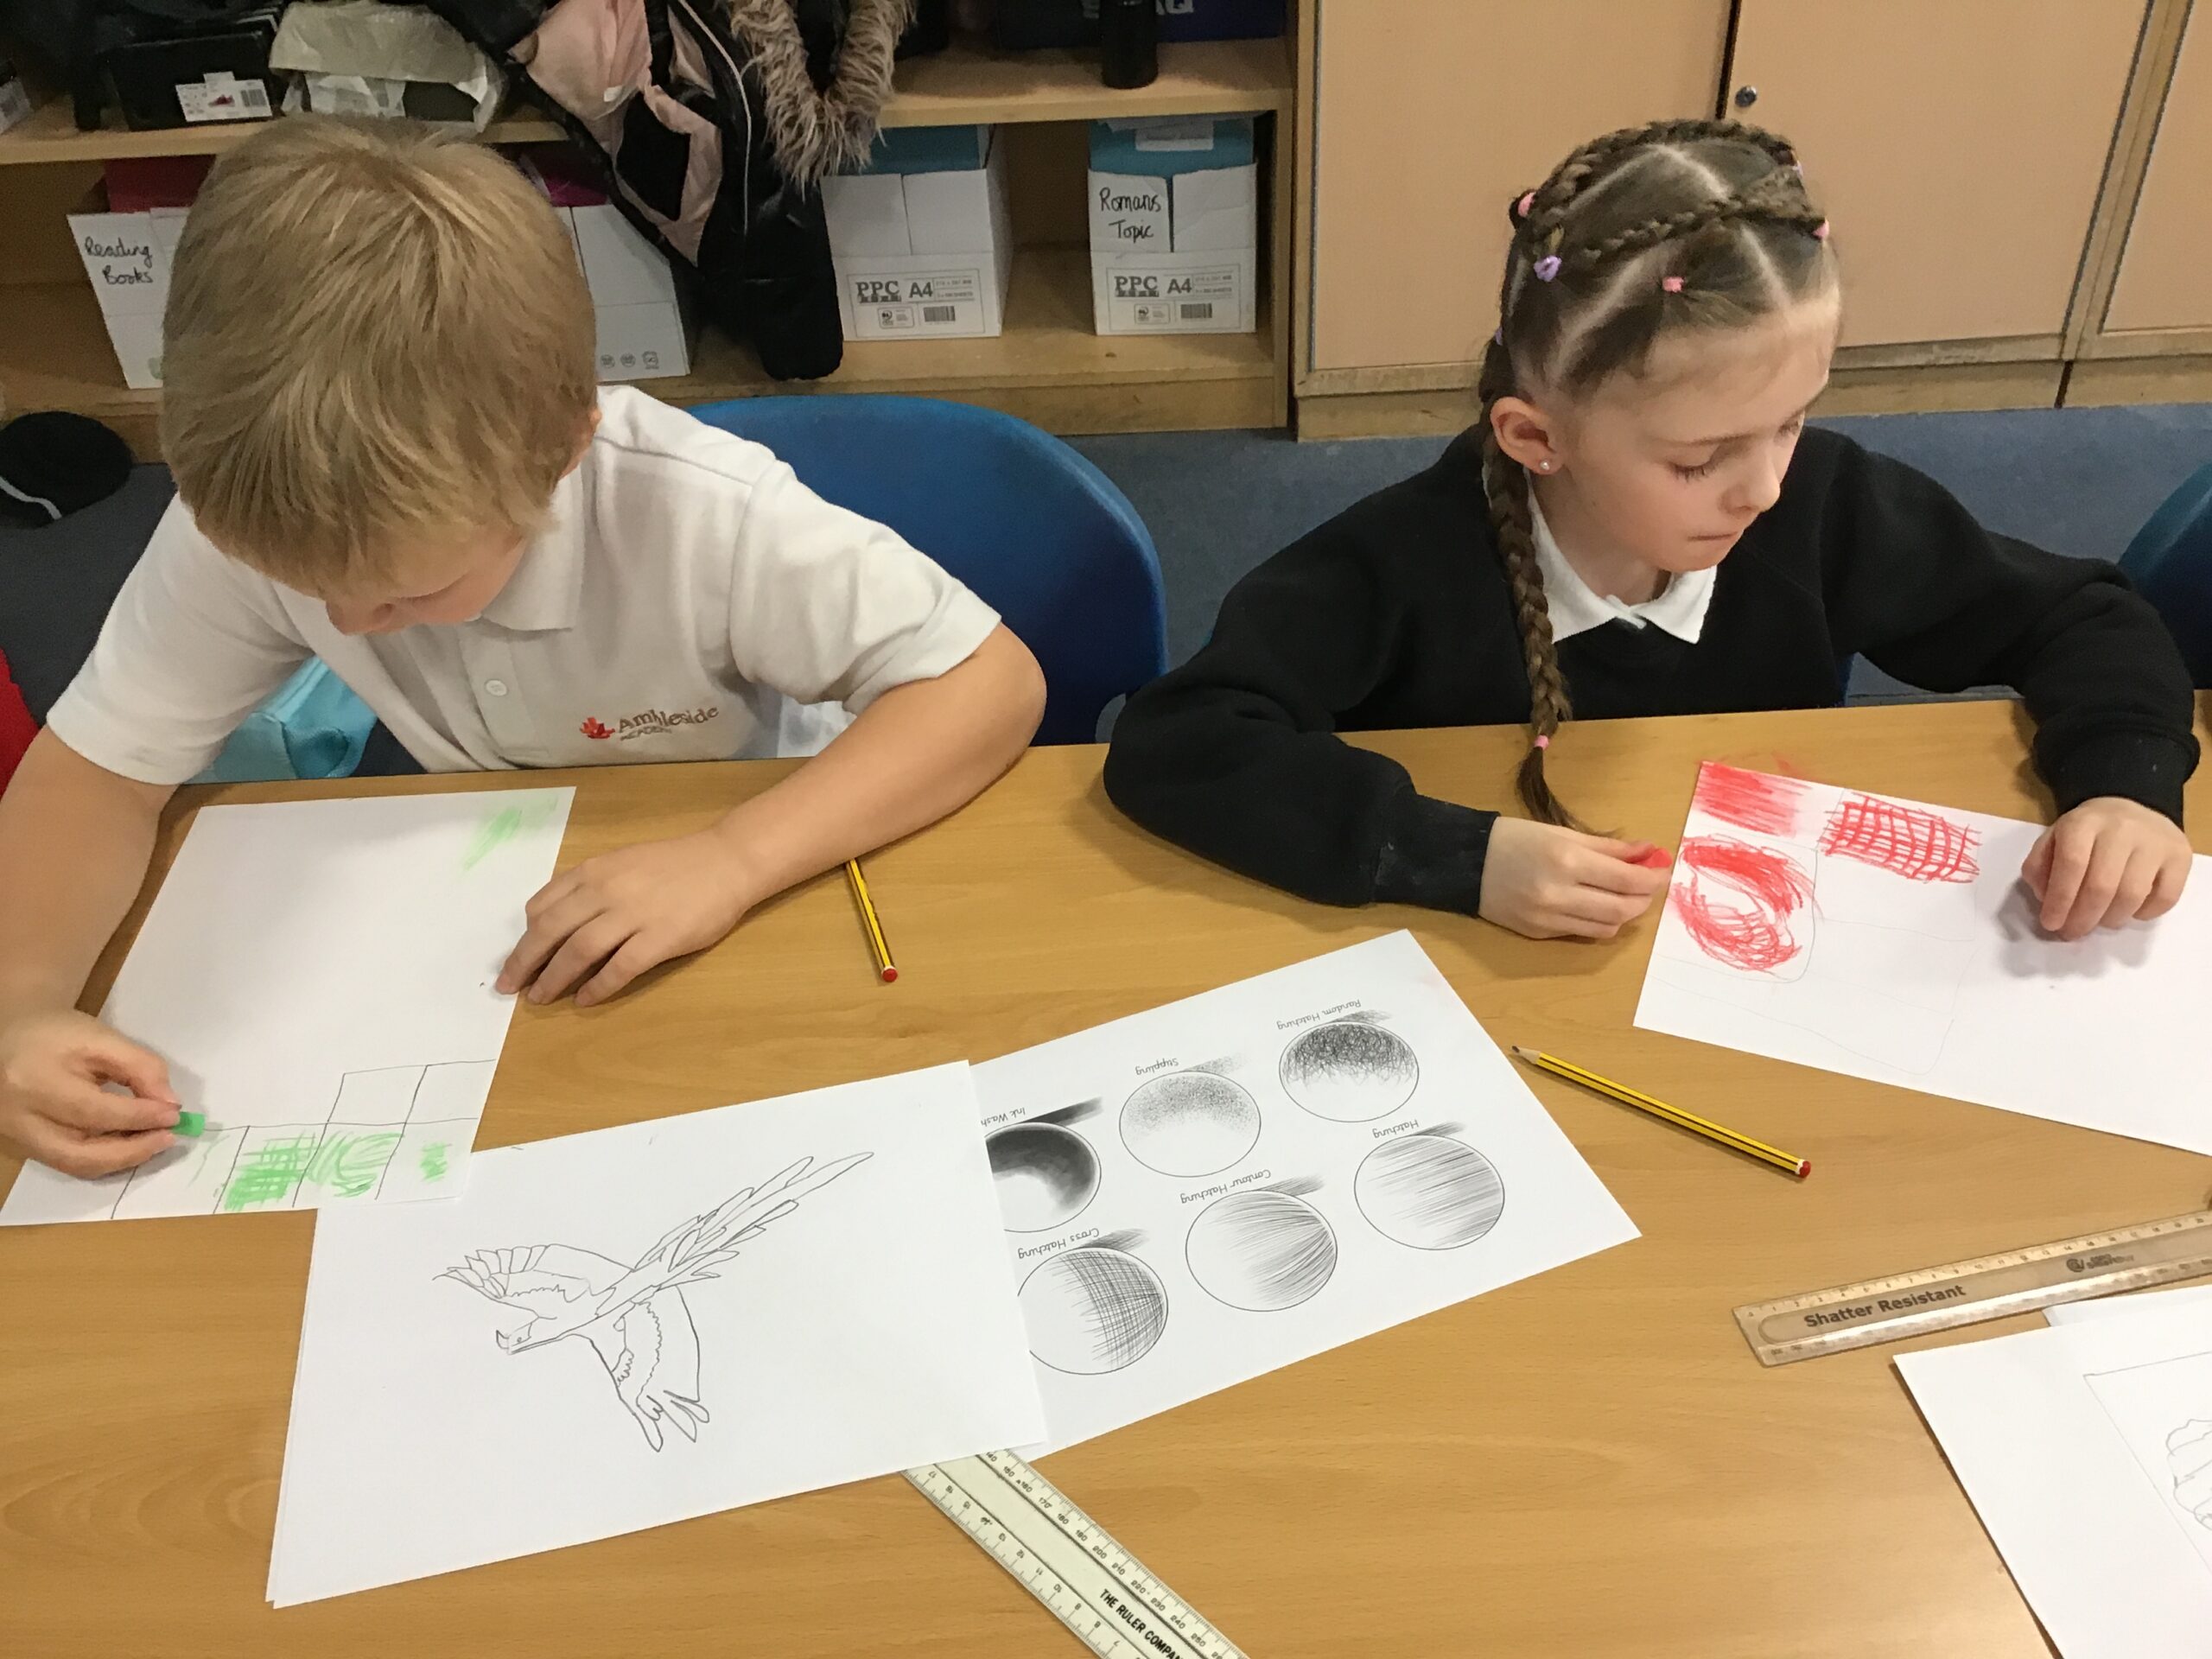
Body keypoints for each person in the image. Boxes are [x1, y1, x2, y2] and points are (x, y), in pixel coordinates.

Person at [0, 117, 1045, 1179]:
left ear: (563, 454)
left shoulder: (702, 515)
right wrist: (21, 1007)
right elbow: (96, 771)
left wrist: (733, 858)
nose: (346, 626)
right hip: (506, 893)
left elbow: (989, 681)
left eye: (411, 594)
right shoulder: (247, 520)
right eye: (309, 592)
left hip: (762, 859)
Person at [1106, 118, 2196, 947]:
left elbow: (2082, 616)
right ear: (1536, 437)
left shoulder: (1824, 502)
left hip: (1749, 948)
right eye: (1697, 459)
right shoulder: (1402, 562)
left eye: (1791, 422)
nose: (1763, 488)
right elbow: (1179, 740)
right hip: (1476, 975)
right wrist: (1451, 856)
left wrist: (2122, 787)